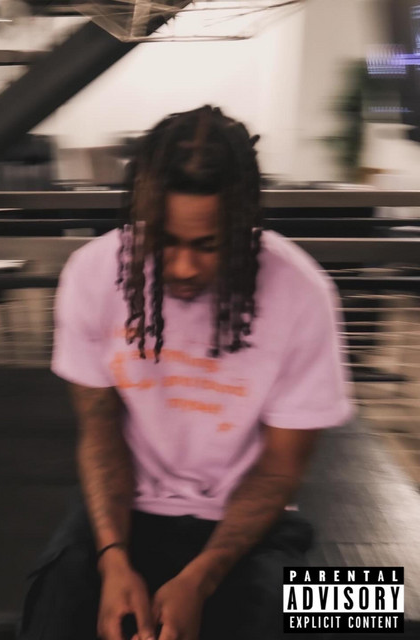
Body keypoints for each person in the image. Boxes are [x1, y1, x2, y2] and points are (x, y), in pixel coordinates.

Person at [18, 105, 353, 640]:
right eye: (165, 241)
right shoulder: (91, 274)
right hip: (128, 512)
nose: (183, 268)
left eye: (207, 245)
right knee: (51, 606)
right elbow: (99, 430)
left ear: (242, 226)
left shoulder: (305, 292)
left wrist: (199, 580)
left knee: (358, 609)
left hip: (248, 523)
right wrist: (112, 559)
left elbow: (281, 469)